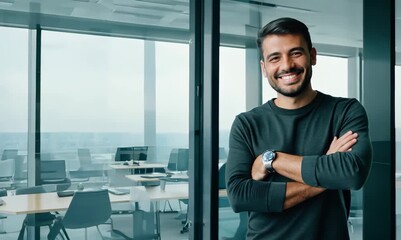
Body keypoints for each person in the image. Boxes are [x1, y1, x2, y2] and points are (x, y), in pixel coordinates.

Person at [225, 17, 372, 240]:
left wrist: (272, 160)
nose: (286, 65)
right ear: (264, 68)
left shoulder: (345, 111)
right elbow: (240, 196)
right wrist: (327, 173)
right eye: (275, 58)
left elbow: (352, 173)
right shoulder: (247, 124)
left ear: (312, 56)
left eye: (296, 53)